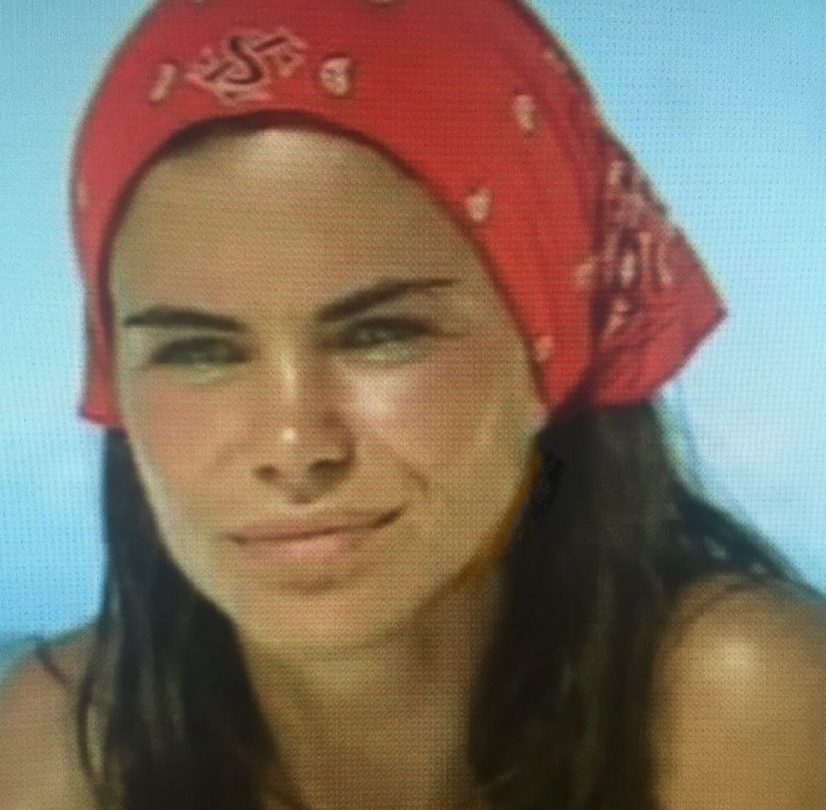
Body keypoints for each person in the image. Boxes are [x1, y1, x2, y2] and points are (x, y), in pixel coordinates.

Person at [1, 1, 825, 809]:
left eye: (381, 335)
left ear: (550, 342)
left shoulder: (740, 710)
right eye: (199, 351)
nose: (295, 445)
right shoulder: (53, 754)